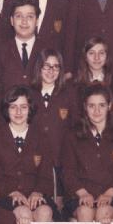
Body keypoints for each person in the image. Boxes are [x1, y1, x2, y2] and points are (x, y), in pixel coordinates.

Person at [62, 84, 113, 222]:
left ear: (110, 106)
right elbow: (68, 174)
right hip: (80, 196)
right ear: (85, 107)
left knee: (104, 213)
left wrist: (108, 195)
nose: (96, 111)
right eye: (91, 106)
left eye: (101, 105)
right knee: (85, 212)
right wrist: (83, 194)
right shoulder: (72, 136)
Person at [0, 86, 56, 223]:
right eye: (13, 107)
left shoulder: (41, 137)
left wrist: (38, 192)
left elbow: (46, 173)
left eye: (23, 107)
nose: (18, 112)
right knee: (23, 214)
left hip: (35, 196)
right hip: (6, 196)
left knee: (45, 212)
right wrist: (11, 192)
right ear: (6, 109)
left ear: (30, 109)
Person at [30, 49, 77, 208]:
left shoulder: (69, 94)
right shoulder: (28, 93)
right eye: (47, 66)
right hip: (35, 163)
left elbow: (76, 127)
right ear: (38, 68)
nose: (51, 71)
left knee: (60, 207)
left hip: (61, 160)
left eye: (56, 67)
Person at [0, 0, 45, 91]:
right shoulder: (0, 51)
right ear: (12, 20)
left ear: (37, 21)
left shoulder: (47, 49)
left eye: (30, 17)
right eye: (19, 16)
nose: (24, 21)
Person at [73, 36, 113, 117]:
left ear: (107, 56)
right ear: (85, 57)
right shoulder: (74, 86)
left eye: (101, 53)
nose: (96, 58)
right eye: (91, 53)